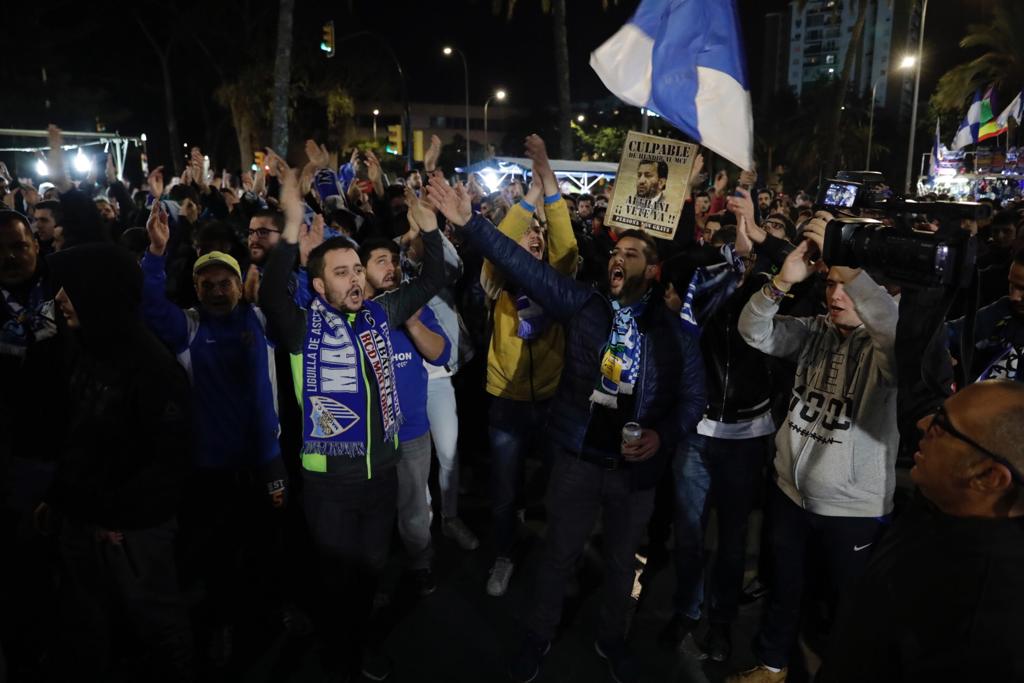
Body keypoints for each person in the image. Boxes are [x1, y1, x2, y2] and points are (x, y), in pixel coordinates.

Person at [426, 174, 705, 683]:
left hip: (634, 475)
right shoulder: (584, 305)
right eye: (617, 252)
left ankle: (611, 641)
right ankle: (538, 635)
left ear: (655, 269)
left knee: (622, 567)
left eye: (634, 254)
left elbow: (693, 399)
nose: (620, 259)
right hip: (578, 459)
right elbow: (520, 267)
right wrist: (471, 223)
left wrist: (663, 435)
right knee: (559, 555)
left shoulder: (677, 335)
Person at [259, 168, 445, 681]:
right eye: (341, 272)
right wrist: (292, 229)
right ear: (319, 285)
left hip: (380, 475)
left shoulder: (381, 316)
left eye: (356, 269)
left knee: (368, 573)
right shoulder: (301, 329)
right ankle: (338, 654)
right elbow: (273, 296)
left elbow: (433, 279)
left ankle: (357, 643)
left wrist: (429, 230)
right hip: (329, 483)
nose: (356, 278)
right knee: (335, 581)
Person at [729, 213, 899, 683]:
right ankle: (771, 666)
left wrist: (847, 264)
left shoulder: (889, 348)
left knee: (846, 608)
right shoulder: (814, 331)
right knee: (785, 590)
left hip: (853, 510)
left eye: (846, 286)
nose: (836, 294)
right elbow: (753, 330)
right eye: (830, 285)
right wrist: (783, 281)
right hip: (791, 493)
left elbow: (889, 326)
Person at [141, 201, 288, 665]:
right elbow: (148, 304)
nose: (217, 289)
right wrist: (155, 253)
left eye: (225, 281)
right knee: (221, 555)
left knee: (267, 545)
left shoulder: (261, 319)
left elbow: (290, 294)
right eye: (207, 283)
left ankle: (268, 615)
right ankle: (226, 625)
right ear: (197, 288)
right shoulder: (187, 327)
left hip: (265, 461)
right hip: (210, 470)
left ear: (238, 285)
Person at [43, 242, 194, 682]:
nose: (60, 300)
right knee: (95, 623)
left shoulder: (153, 367)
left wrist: (119, 517)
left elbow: (168, 463)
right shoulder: (85, 349)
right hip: (87, 520)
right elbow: (79, 435)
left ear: (99, 292)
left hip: (132, 533)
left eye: (69, 289)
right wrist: (61, 498)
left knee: (156, 623)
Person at [817, 380, 1024, 681]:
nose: (923, 423)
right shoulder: (941, 502)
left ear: (988, 477)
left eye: (942, 426)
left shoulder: (981, 626)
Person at [478, 135, 578, 597]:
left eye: (538, 233)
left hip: (553, 398)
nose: (534, 237)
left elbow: (569, 250)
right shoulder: (496, 280)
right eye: (527, 234)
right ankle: (503, 556)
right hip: (508, 401)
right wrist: (530, 199)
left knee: (559, 491)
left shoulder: (557, 281)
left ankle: (557, 561)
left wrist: (549, 187)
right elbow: (498, 242)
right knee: (504, 492)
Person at [360, 235, 450, 596]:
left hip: (411, 431)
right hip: (369, 438)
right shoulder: (356, 312)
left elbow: (441, 354)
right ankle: (373, 573)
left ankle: (420, 562)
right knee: (374, 511)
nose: (392, 267)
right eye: (381, 260)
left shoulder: (413, 306)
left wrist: (413, 323)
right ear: (361, 269)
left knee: (414, 506)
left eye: (394, 260)